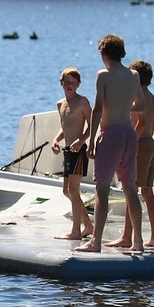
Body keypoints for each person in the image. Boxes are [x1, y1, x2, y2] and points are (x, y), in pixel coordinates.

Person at [75, 34, 144, 253]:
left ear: (104, 54)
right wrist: (123, 108)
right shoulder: (133, 75)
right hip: (128, 134)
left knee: (102, 189)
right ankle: (138, 241)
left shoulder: (103, 75)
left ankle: (95, 241)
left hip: (111, 134)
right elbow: (140, 105)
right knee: (130, 188)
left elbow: (97, 108)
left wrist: (93, 139)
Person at [107, 59, 154, 250]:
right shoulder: (151, 96)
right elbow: (152, 125)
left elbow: (141, 123)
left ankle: (127, 237)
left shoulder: (136, 97)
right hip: (151, 144)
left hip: (139, 144)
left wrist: (132, 143)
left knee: (131, 191)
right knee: (147, 191)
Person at [49, 67, 94, 240]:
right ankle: (88, 225)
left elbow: (92, 125)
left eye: (73, 83)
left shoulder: (82, 102)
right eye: (66, 82)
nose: (69, 85)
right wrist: (55, 140)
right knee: (66, 191)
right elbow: (65, 126)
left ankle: (76, 231)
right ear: (61, 83)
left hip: (79, 150)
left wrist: (82, 140)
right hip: (68, 150)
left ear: (78, 84)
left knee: (73, 191)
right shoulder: (61, 104)